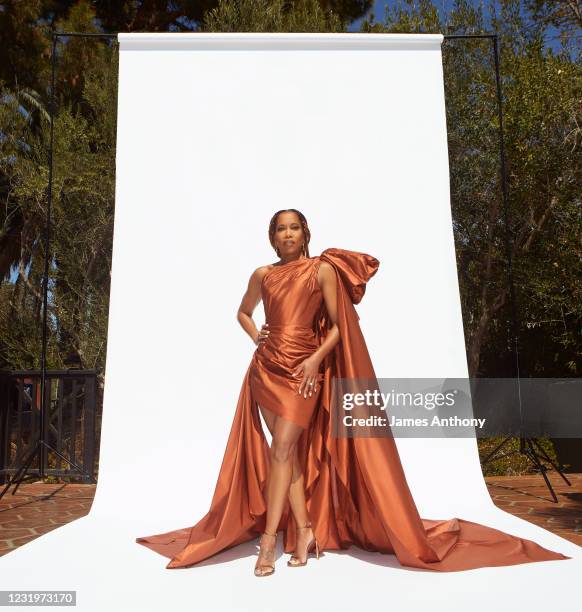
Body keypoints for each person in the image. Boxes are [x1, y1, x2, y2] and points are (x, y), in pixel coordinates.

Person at [136, 209, 570, 576]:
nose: (287, 234)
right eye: (279, 229)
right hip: (265, 370)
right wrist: (256, 337)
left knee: (283, 451)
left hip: (304, 370)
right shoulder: (262, 274)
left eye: (294, 228)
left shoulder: (321, 269)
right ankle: (303, 532)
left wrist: (314, 360)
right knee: (283, 454)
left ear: (306, 233)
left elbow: (340, 327)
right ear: (271, 238)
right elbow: (242, 312)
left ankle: (269, 540)